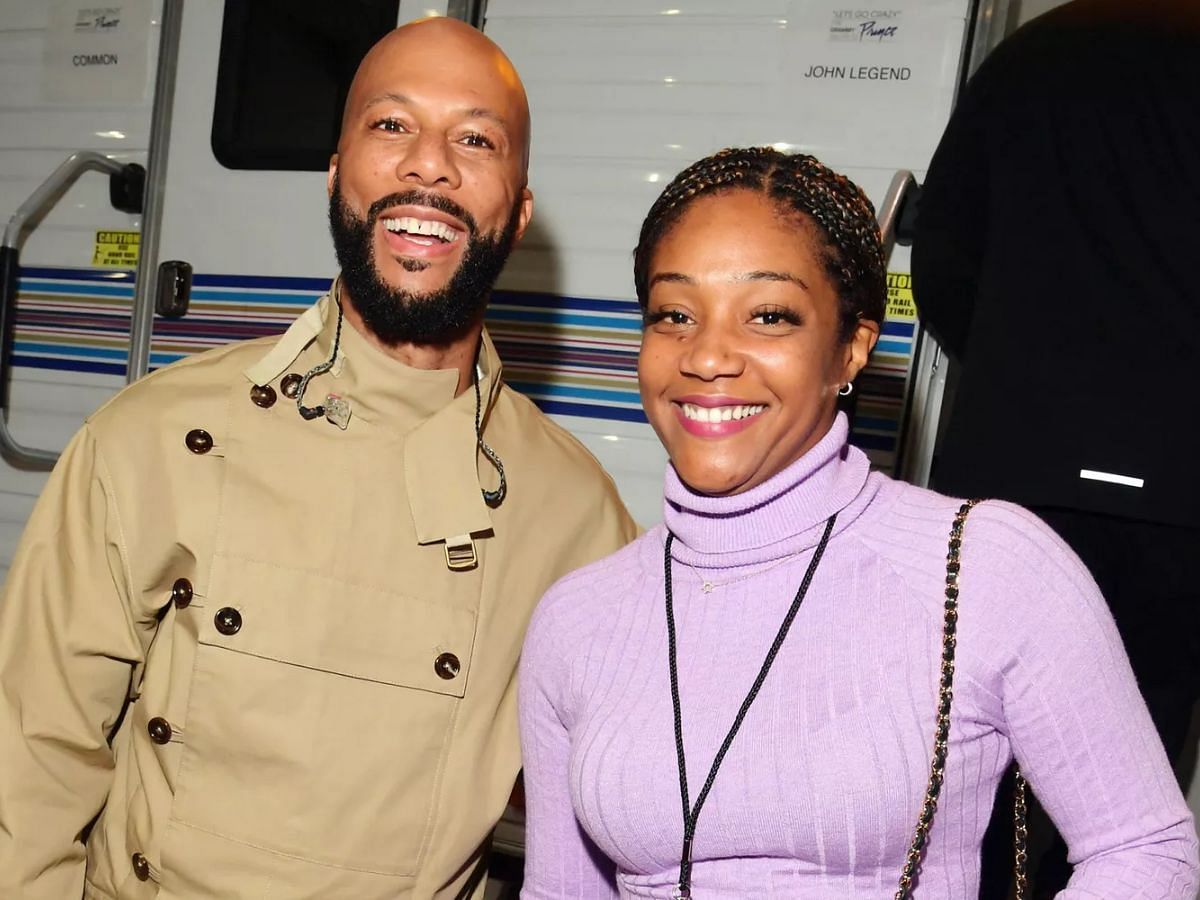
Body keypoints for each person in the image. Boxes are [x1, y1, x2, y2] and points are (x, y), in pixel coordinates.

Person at [0, 18, 636, 899]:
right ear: (337, 173)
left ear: (518, 209)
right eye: (390, 125)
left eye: (476, 139)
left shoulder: (576, 512)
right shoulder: (151, 438)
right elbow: (29, 760)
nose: (428, 164)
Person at [517, 147, 1198, 898]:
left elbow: (1146, 851)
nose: (707, 355)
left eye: (769, 316)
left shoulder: (985, 569)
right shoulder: (576, 622)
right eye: (674, 315)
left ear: (851, 348)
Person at [910, 2, 1200, 894]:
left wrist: (1016, 381)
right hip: (1178, 503)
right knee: (1127, 799)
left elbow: (944, 266)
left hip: (1012, 479)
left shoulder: (1034, 55)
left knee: (963, 769)